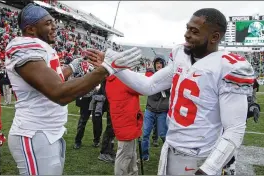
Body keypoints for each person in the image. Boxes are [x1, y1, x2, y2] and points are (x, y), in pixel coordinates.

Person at [86, 8, 255, 175]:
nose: (187, 35)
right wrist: (113, 67)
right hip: (170, 148)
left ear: (214, 37)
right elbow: (149, 85)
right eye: (187, 28)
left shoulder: (229, 67)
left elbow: (235, 129)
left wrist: (207, 170)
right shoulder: (180, 54)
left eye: (194, 31)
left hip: (200, 155)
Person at [5, 3, 141, 175]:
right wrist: (106, 68)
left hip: (49, 131)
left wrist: (72, 66)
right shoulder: (24, 47)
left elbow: (55, 77)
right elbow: (59, 92)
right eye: (48, 23)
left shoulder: (41, 48)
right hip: (34, 132)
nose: (55, 26)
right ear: (31, 29)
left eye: (53, 22)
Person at [105, 74, 143, 175]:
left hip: (125, 122)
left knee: (130, 155)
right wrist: (149, 71)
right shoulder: (122, 79)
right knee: (124, 157)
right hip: (127, 123)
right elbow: (143, 87)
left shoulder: (112, 79)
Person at [142, 55, 170, 161]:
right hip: (150, 109)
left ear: (163, 64)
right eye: (157, 63)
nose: (158, 65)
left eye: (160, 63)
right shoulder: (151, 76)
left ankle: (168, 155)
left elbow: (171, 91)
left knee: (163, 134)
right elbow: (145, 86)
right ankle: (144, 156)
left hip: (162, 111)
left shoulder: (168, 78)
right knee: (145, 134)